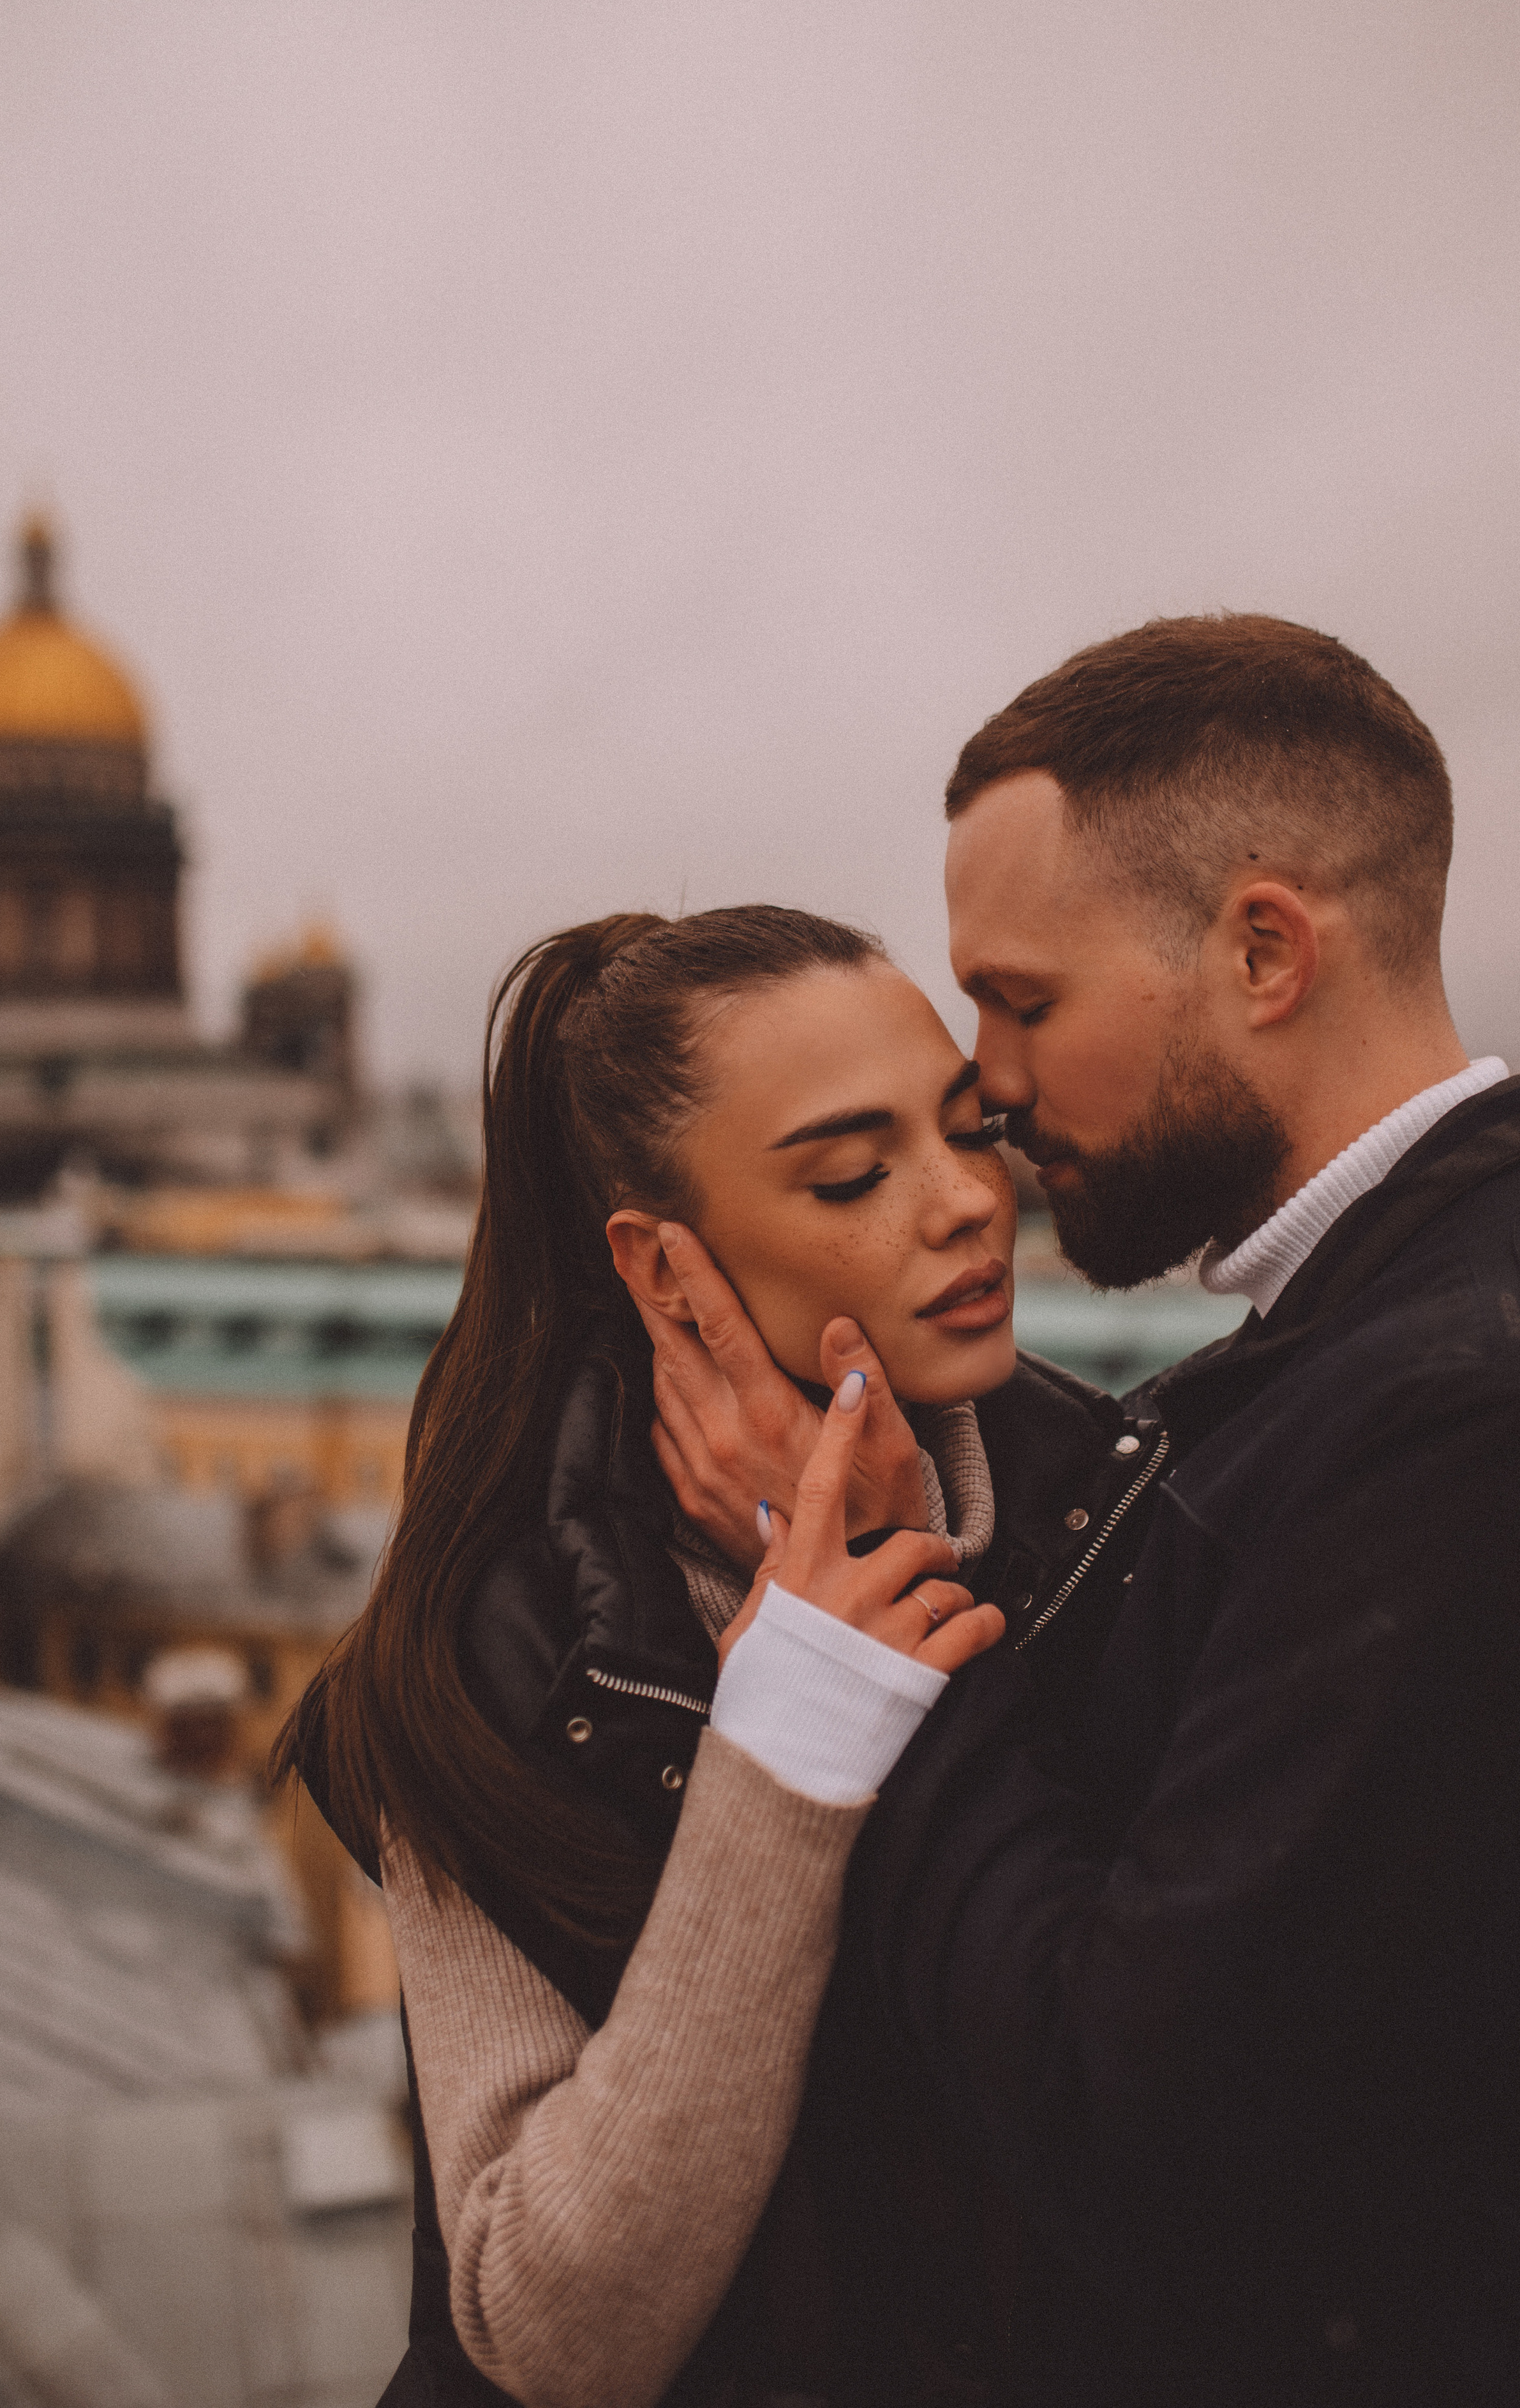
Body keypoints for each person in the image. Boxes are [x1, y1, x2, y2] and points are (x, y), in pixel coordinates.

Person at [650, 614, 1520, 2406]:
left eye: (1024, 1001)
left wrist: (880, 1625)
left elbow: (1130, 2129)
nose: (987, 1081)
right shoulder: (1392, 1335)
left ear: (1262, 952)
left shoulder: (1442, 1414)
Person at [283, 902, 1170, 2408]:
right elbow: (553, 2333)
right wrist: (791, 1731)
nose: (968, 1200)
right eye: (853, 1174)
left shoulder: (1130, 1514)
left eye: (968, 1130)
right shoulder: (488, 1659)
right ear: (661, 1268)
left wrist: (892, 1571)